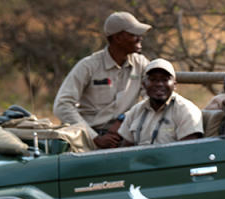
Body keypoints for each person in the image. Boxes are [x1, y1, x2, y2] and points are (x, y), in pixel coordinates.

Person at [53, 12, 152, 149]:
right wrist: (93, 137)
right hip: (89, 141)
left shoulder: (141, 64)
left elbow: (151, 98)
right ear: (117, 38)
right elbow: (62, 105)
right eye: (133, 34)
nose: (140, 38)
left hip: (125, 136)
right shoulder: (88, 66)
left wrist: (124, 119)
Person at [117, 59, 203, 146]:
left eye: (165, 79)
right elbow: (126, 148)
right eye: (153, 79)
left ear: (174, 85)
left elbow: (189, 151)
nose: (159, 84)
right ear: (143, 84)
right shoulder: (136, 111)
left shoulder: (187, 111)